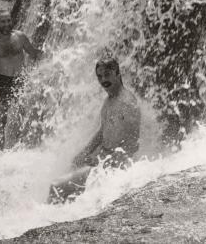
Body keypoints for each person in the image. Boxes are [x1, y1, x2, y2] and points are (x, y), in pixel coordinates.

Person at [49, 57, 141, 203]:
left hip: (115, 168)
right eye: (99, 76)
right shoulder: (110, 100)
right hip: (106, 162)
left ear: (117, 73)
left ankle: (47, 223)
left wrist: (99, 160)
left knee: (56, 187)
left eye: (107, 74)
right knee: (71, 176)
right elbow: (103, 131)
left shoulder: (126, 103)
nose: (103, 80)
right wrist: (85, 152)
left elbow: (127, 147)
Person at [0, 9, 42, 141]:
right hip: (3, 82)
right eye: (3, 22)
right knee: (0, 120)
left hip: (21, 80)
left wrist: (53, 58)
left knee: (24, 115)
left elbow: (33, 53)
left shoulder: (20, 37)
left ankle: (20, 147)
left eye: (8, 20)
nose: (6, 24)